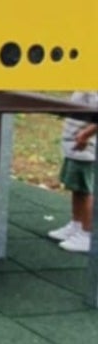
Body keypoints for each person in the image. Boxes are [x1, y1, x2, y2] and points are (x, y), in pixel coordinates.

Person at [48, 92, 98, 254]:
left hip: (86, 147)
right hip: (75, 147)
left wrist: (85, 135)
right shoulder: (84, 79)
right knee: (77, 187)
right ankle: (76, 224)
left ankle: (87, 233)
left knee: (86, 190)